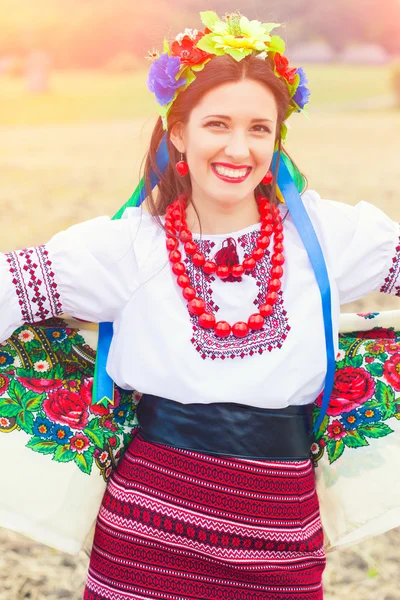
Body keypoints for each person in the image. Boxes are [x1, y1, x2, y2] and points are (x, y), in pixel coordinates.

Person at [0, 10, 399, 600]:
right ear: (179, 131)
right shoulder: (129, 245)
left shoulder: (325, 236)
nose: (239, 148)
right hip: (148, 530)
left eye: (260, 128)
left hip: (281, 532)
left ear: (277, 139)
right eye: (218, 123)